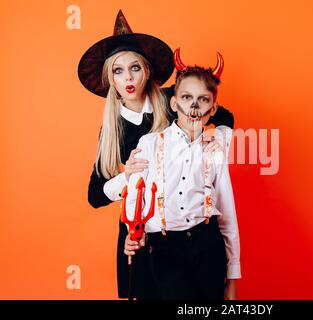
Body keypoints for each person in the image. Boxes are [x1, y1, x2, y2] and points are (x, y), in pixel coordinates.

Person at [78, 10, 234, 299]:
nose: (128, 78)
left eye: (134, 67)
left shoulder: (170, 99)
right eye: (118, 70)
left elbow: (223, 114)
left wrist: (220, 139)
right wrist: (126, 176)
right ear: (109, 78)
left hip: (188, 232)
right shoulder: (112, 129)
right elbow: (94, 195)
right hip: (139, 231)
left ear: (147, 70)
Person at [123, 49, 240, 300]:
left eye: (203, 100)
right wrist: (131, 234)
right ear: (174, 103)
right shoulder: (150, 143)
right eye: (186, 97)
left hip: (208, 246)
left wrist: (232, 278)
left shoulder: (215, 146)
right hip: (164, 248)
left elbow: (227, 213)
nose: (194, 107)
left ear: (213, 107)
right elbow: (134, 199)